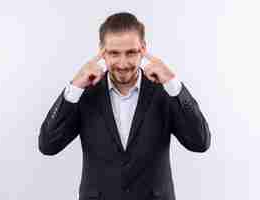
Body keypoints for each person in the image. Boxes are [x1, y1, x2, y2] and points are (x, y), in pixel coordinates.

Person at [38, 12, 211, 200]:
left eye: (131, 52)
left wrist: (173, 83)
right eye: (114, 53)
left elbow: (200, 142)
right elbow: (48, 145)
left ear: (143, 49)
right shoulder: (85, 92)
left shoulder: (164, 90)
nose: (123, 63)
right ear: (102, 51)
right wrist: (74, 86)